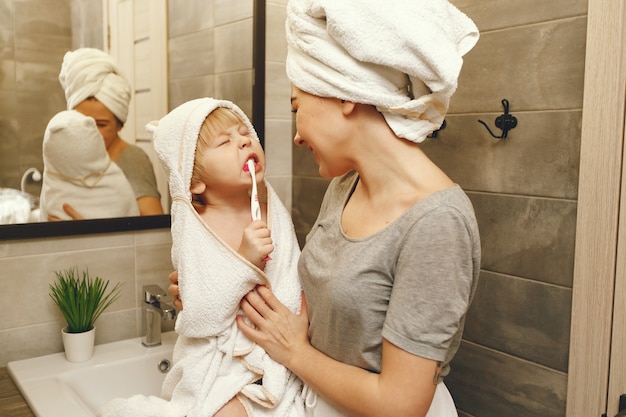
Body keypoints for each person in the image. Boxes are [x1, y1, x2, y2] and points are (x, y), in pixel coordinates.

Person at [171, 1, 481, 416]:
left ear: (344, 96)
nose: (297, 136)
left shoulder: (437, 223)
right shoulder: (344, 187)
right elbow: (324, 306)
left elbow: (401, 404)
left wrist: (295, 352)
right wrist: (216, 292)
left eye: (297, 107)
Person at [99, 98, 304, 417]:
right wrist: (243, 259)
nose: (244, 141)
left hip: (275, 357)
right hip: (218, 366)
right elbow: (201, 315)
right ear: (195, 181)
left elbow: (291, 280)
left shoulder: (268, 202)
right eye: (225, 141)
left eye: (244, 133)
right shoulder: (196, 225)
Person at [54, 47, 163, 219]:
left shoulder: (133, 160)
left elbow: (153, 228)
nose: (90, 132)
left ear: (120, 125)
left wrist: (90, 230)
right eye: (82, 121)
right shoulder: (69, 157)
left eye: (101, 124)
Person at [39, 110, 139, 220]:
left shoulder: (117, 181)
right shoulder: (53, 178)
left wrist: (87, 232)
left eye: (102, 124)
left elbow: (134, 234)